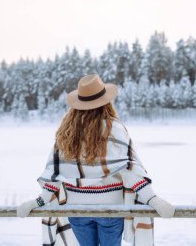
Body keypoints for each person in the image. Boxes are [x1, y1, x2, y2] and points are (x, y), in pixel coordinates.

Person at [17, 74, 175, 246]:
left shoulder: (67, 134)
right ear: (106, 102)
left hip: (77, 210)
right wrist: (153, 199)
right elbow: (131, 170)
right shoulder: (114, 129)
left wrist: (39, 200)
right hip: (111, 210)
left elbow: (55, 175)